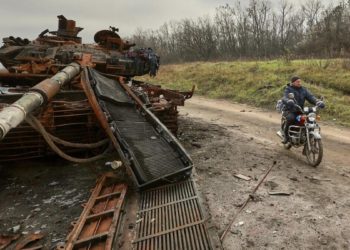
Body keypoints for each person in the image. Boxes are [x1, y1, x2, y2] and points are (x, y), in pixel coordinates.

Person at [281, 76, 325, 143]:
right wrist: (288, 101)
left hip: (300, 110)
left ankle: (307, 135)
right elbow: (284, 97)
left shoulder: (303, 90)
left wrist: (317, 101)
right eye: (297, 82)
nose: (299, 83)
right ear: (293, 82)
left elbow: (311, 97)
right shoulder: (288, 89)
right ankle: (286, 137)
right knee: (291, 118)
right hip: (290, 110)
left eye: (300, 81)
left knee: (310, 119)